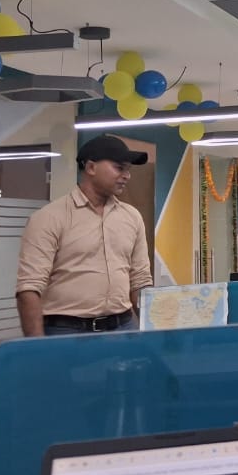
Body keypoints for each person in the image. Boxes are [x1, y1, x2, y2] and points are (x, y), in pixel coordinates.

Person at [16, 134, 153, 336]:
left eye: (128, 169)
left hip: (122, 327)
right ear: (90, 167)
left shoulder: (132, 217)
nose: (127, 176)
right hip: (66, 330)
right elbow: (29, 288)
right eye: (119, 168)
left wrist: (154, 331)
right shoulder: (49, 218)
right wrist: (36, 347)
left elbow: (140, 280)